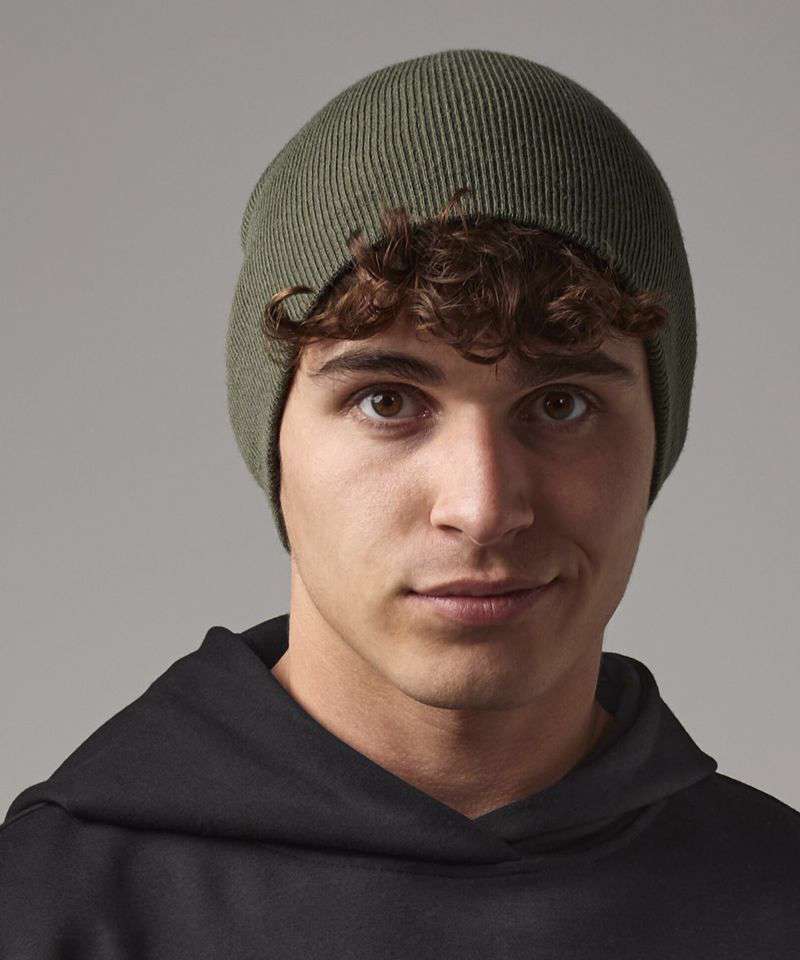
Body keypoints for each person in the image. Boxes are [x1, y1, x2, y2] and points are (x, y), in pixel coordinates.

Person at [2, 47, 798, 958]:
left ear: (658, 437)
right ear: (273, 443)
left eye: (561, 404)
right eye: (387, 401)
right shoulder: (42, 913)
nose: (483, 506)